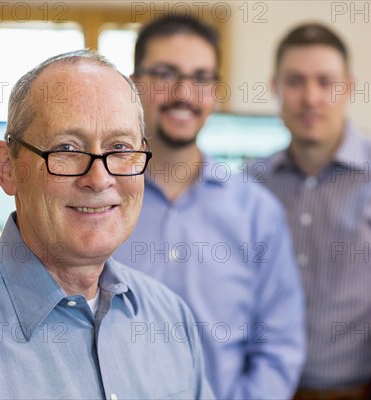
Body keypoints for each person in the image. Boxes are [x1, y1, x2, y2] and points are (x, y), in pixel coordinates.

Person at [0, 50, 214, 399]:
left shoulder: (171, 319)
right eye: (67, 148)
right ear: (7, 168)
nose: (99, 178)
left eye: (120, 147)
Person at [113, 16, 306, 399]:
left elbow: (279, 347)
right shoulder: (99, 200)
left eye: (201, 78)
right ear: (134, 86)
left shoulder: (256, 212)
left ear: (215, 92)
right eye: (166, 73)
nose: (184, 92)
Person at [252, 23, 371, 398]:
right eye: (295, 81)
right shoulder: (251, 183)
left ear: (348, 88)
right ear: (275, 87)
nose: (310, 97)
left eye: (325, 82)